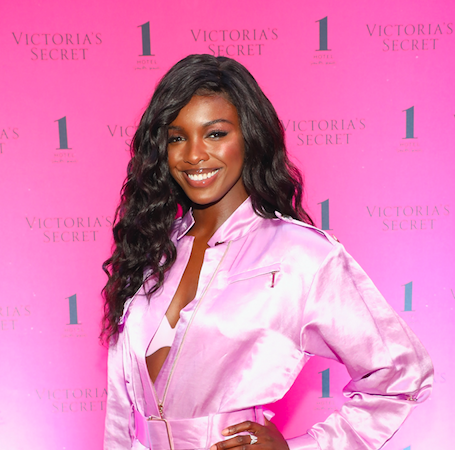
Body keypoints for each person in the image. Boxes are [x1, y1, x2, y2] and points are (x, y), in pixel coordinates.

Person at [102, 54, 433, 450]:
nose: (193, 155)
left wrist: (299, 448)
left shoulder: (300, 254)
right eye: (177, 137)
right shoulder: (151, 250)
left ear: (250, 137)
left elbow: (402, 374)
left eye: (215, 134)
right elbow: (121, 408)